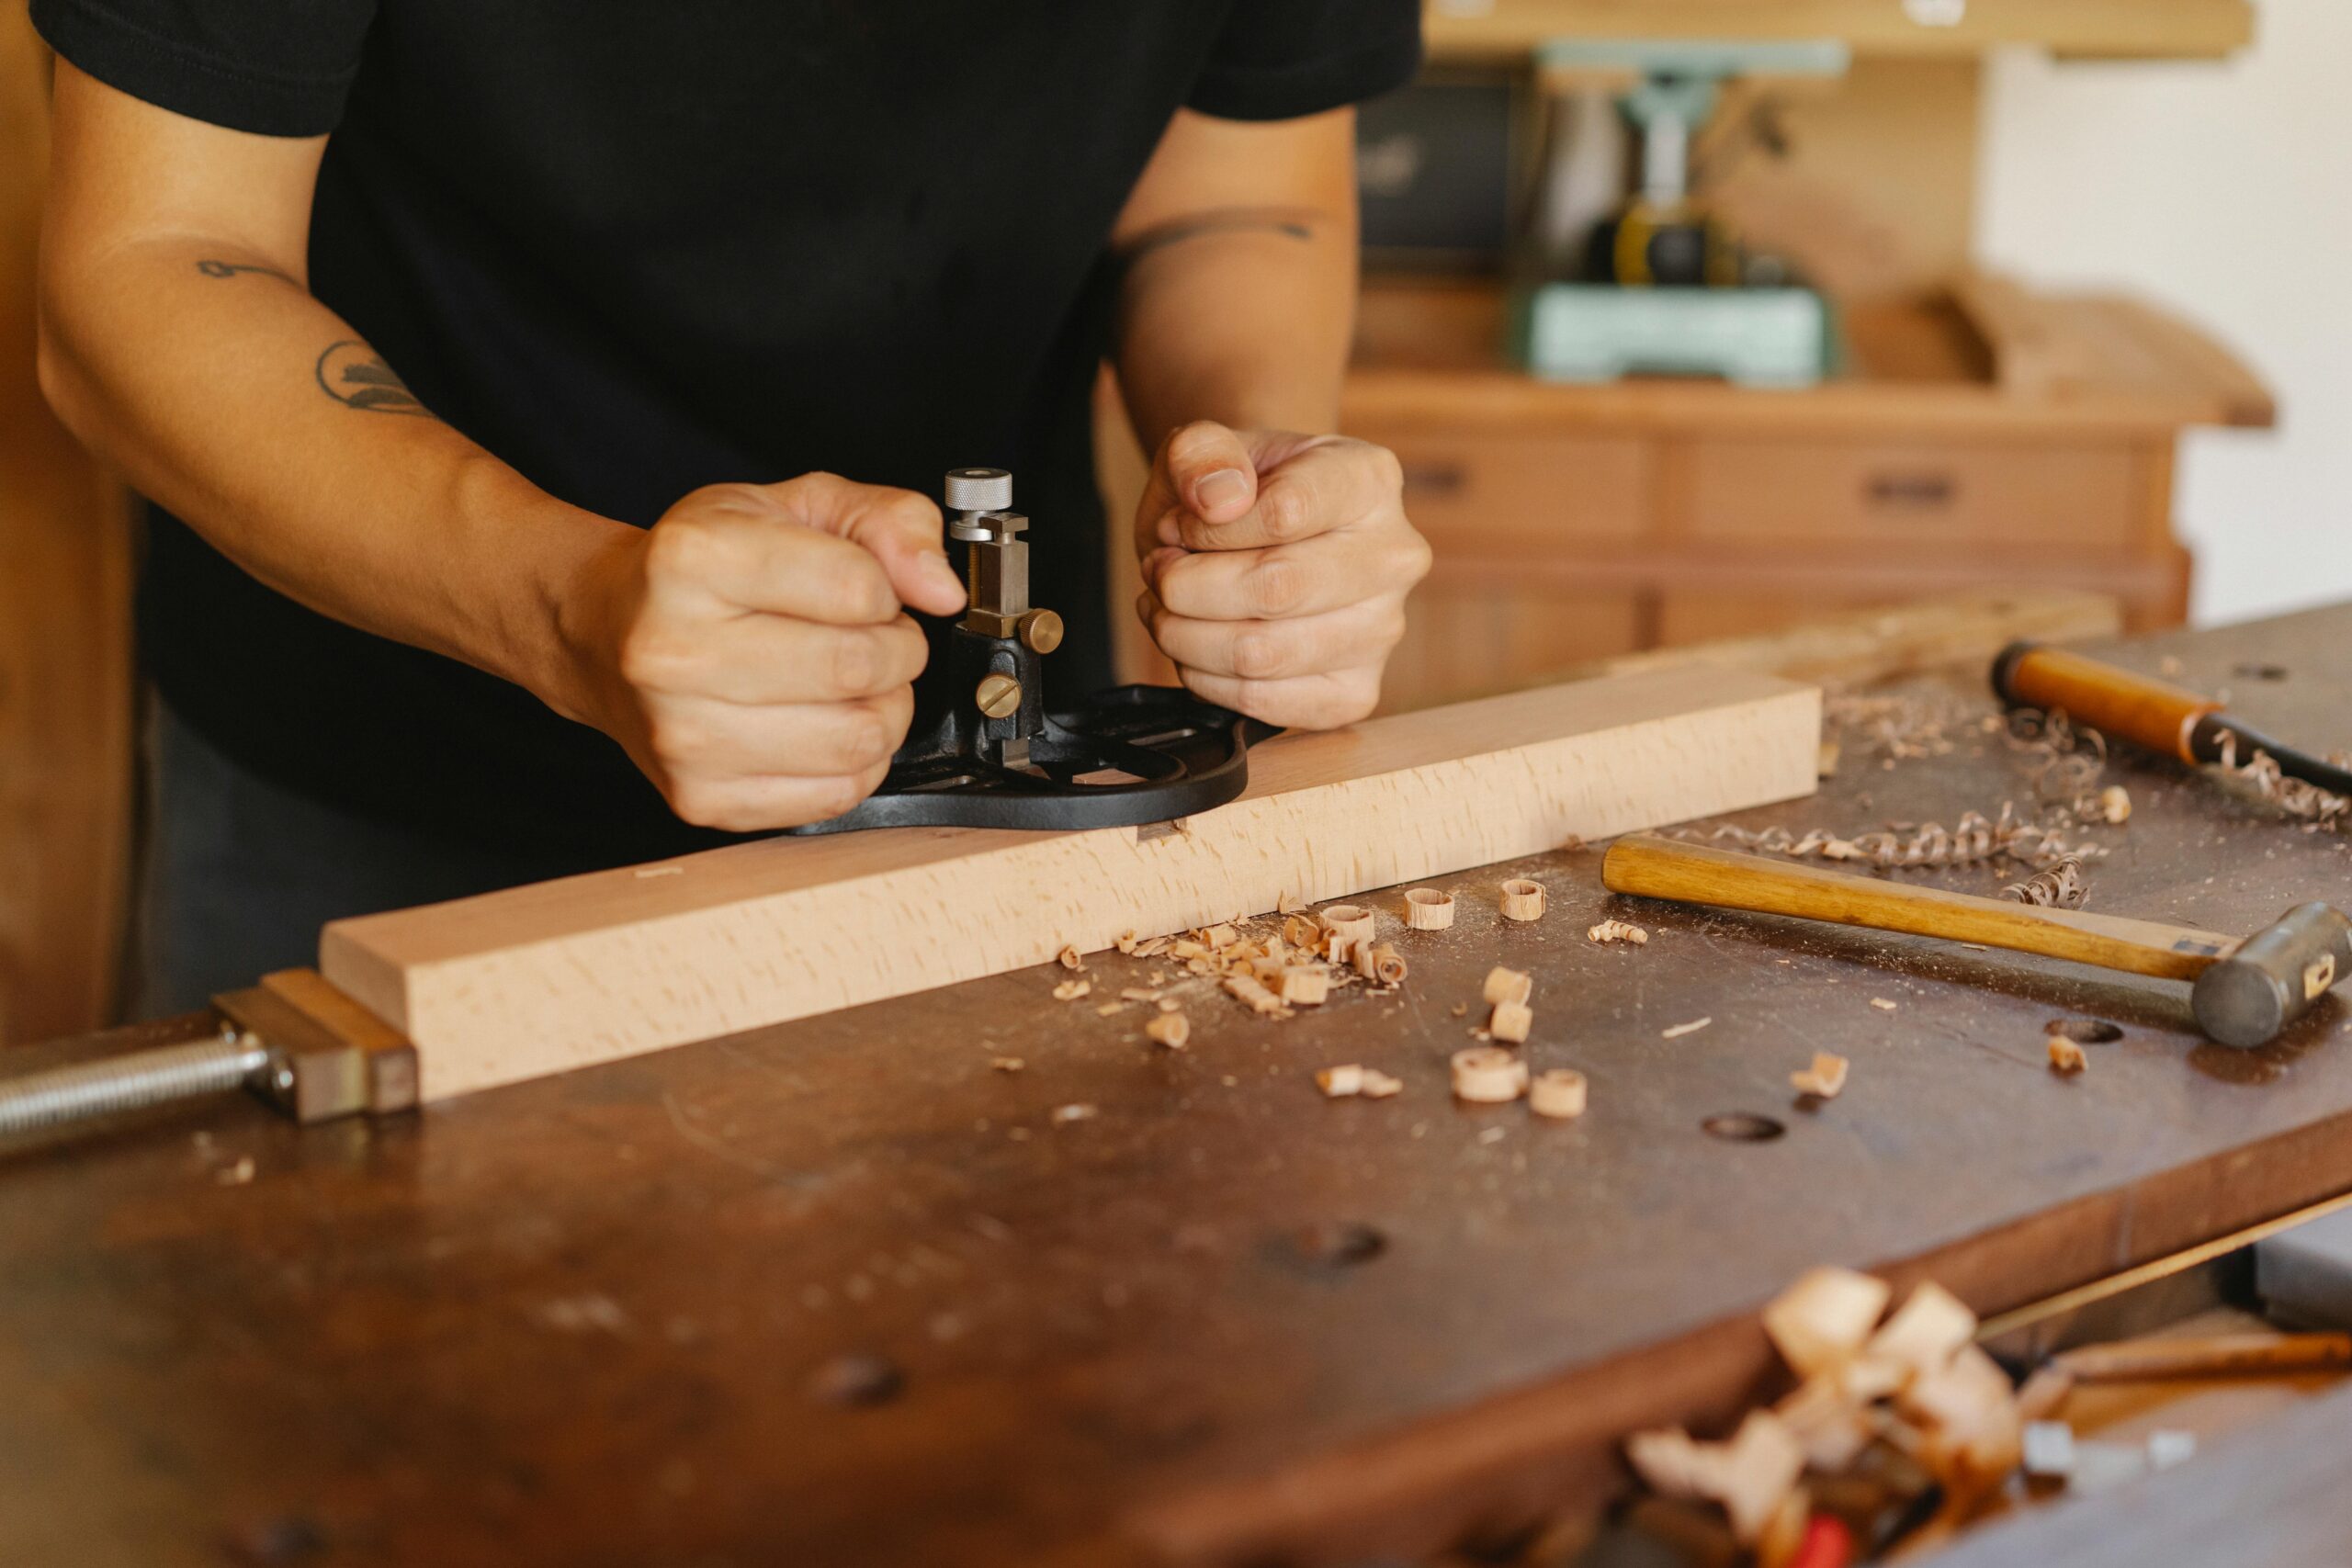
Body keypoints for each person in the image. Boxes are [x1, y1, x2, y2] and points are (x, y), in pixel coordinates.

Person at [32, 2, 1434, 1015]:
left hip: (987, 781)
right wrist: (570, 605)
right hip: (384, 769)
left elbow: (1239, 194)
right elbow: (159, 256)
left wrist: (1254, 487)